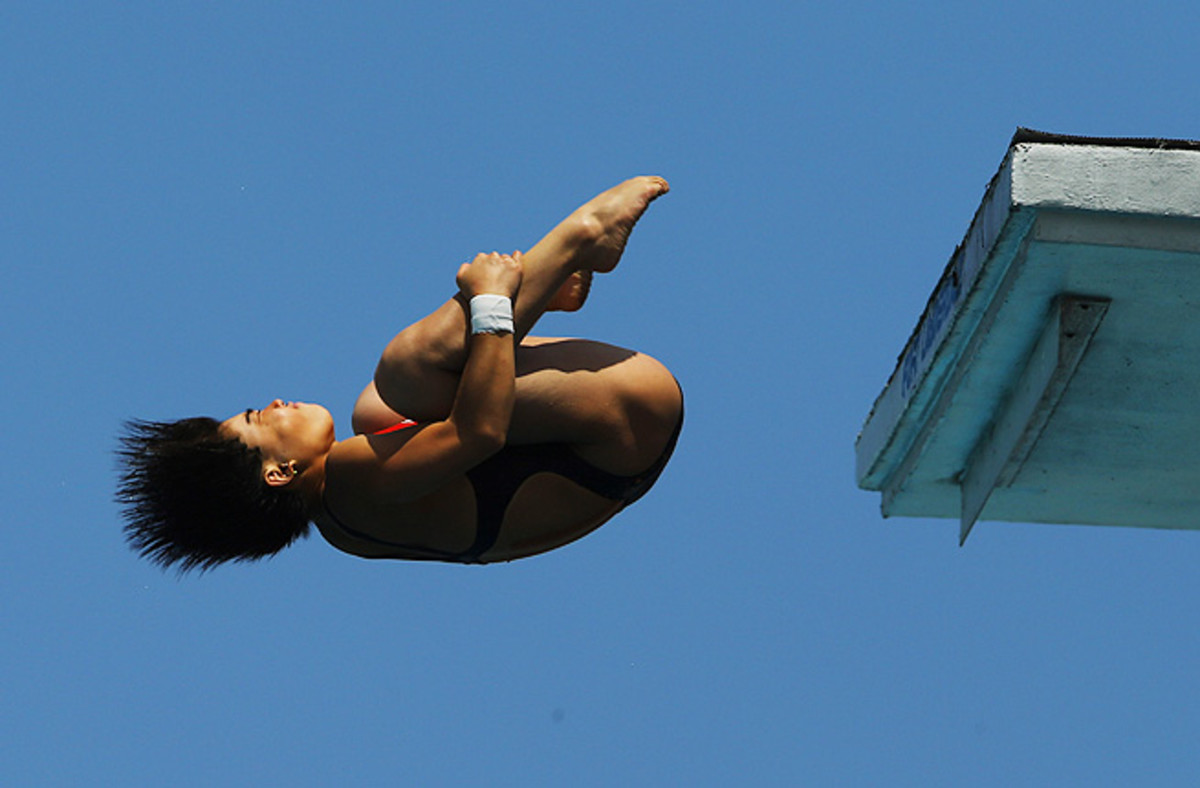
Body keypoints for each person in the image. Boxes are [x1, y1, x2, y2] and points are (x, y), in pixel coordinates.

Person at [117, 176, 682, 572]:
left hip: (612, 451)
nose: (273, 404)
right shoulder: (348, 481)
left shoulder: (346, 526)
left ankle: (547, 289)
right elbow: (479, 432)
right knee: (405, 372)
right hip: (627, 417)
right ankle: (583, 237)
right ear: (280, 472)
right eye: (254, 419)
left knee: (377, 410)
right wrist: (489, 301)